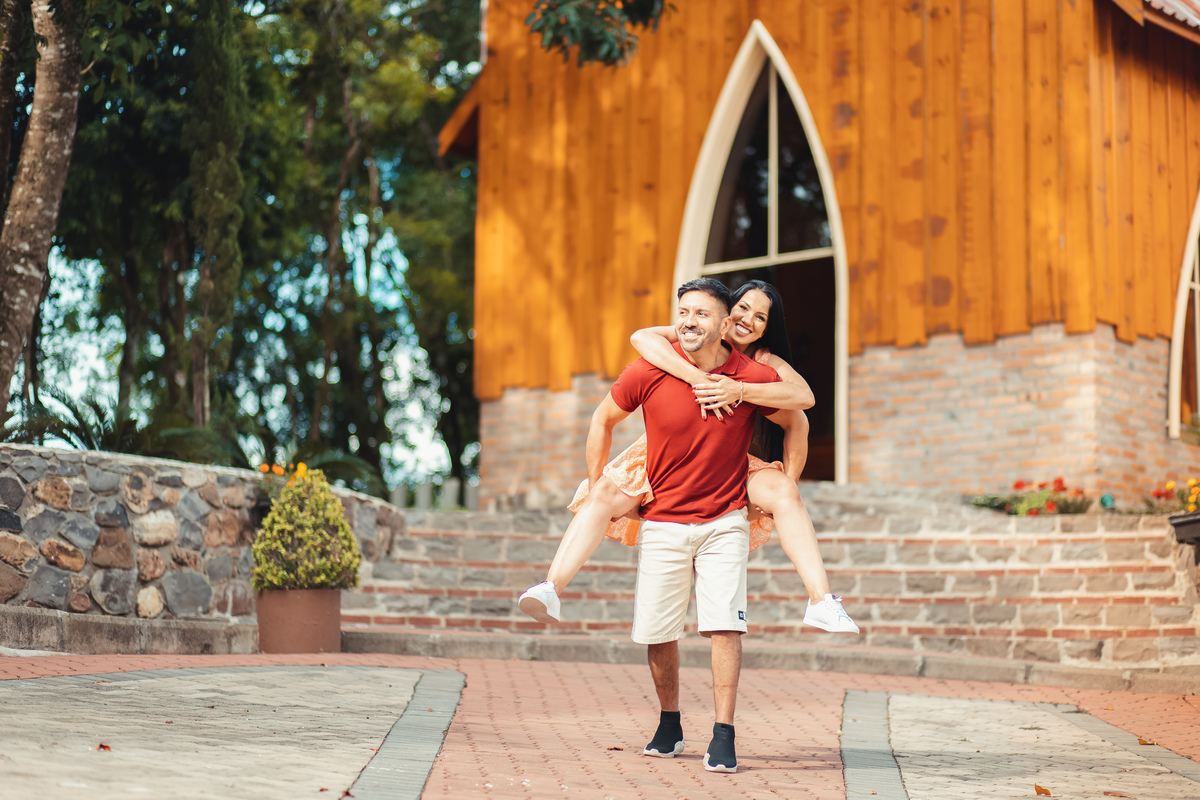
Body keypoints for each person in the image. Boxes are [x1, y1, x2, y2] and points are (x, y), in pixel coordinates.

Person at [551, 278, 801, 773]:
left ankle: (723, 732)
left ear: (723, 323)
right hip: (663, 509)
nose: (690, 321)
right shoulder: (654, 362)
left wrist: (780, 486)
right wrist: (605, 484)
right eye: (683, 312)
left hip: (724, 509)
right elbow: (614, 396)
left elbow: (801, 412)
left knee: (725, 625)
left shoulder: (753, 370)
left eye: (702, 314)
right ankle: (669, 722)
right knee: (658, 629)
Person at [519, 280, 857, 634]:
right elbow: (640, 339)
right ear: (726, 315)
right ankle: (550, 588)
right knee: (602, 493)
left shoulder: (761, 365)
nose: (747, 320)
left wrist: (741, 393)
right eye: (743, 308)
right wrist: (702, 380)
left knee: (784, 494)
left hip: (728, 464)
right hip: (667, 456)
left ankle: (821, 601)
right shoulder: (685, 338)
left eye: (760, 317)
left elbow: (801, 408)